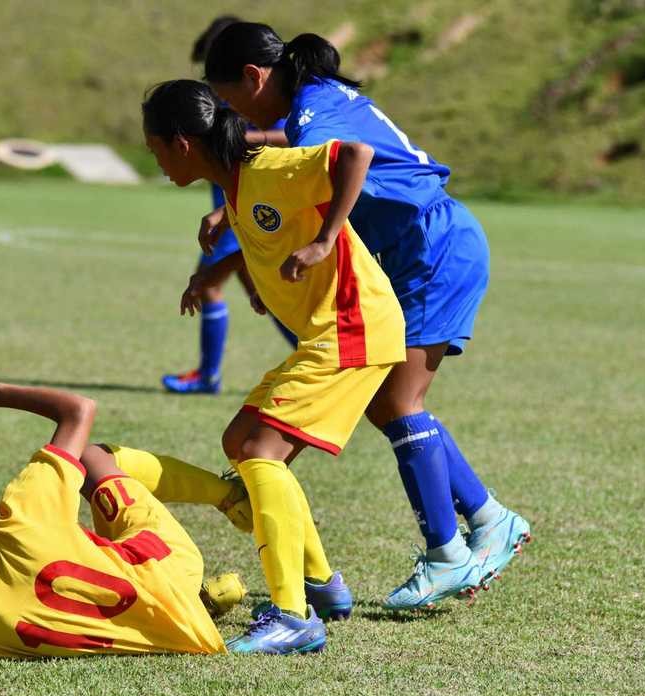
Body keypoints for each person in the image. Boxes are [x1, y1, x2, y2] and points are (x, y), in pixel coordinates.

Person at [200, 23, 531, 610]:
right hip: (422, 246)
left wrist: (326, 238)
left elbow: (350, 154)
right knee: (386, 400)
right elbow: (294, 153)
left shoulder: (310, 117)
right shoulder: (318, 93)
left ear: (253, 79)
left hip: (432, 250)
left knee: (398, 403)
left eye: (229, 99)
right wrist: (233, 210)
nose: (230, 111)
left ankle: (447, 555)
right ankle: (489, 516)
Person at [142, 79, 401, 653]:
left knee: (261, 452)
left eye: (155, 148)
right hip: (331, 334)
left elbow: (354, 154)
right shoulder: (238, 186)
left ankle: (293, 615)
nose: (156, 160)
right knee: (242, 441)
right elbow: (270, 219)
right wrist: (226, 250)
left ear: (182, 142)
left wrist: (326, 240)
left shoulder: (266, 169)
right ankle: (322, 586)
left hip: (354, 329)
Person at [0, 365, 293, 658]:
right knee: (95, 456)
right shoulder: (26, 509)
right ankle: (229, 498)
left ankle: (199, 599)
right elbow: (79, 410)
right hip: (167, 568)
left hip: (177, 637)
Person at [162, 15, 296, 395]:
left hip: (246, 208)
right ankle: (317, 356)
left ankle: (208, 376)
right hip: (233, 205)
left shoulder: (256, 95)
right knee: (265, 293)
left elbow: (293, 134)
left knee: (211, 287)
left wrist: (251, 140)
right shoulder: (229, 95)